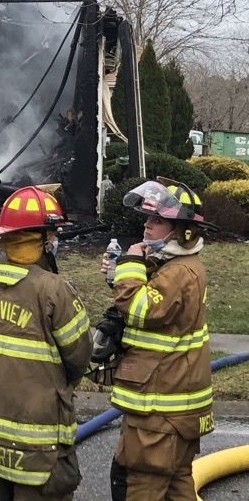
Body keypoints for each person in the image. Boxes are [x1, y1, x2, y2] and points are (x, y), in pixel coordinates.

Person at [0, 186, 91, 500]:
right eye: (52, 234)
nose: (55, 240)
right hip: (40, 434)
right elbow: (79, 356)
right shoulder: (54, 289)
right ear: (43, 240)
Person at [105, 179, 214, 501]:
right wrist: (123, 272)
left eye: (157, 220)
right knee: (178, 485)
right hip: (174, 410)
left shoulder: (179, 273)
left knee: (143, 485)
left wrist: (128, 268)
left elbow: (139, 310)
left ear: (183, 231)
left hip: (158, 412)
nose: (147, 225)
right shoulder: (176, 266)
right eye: (148, 218)